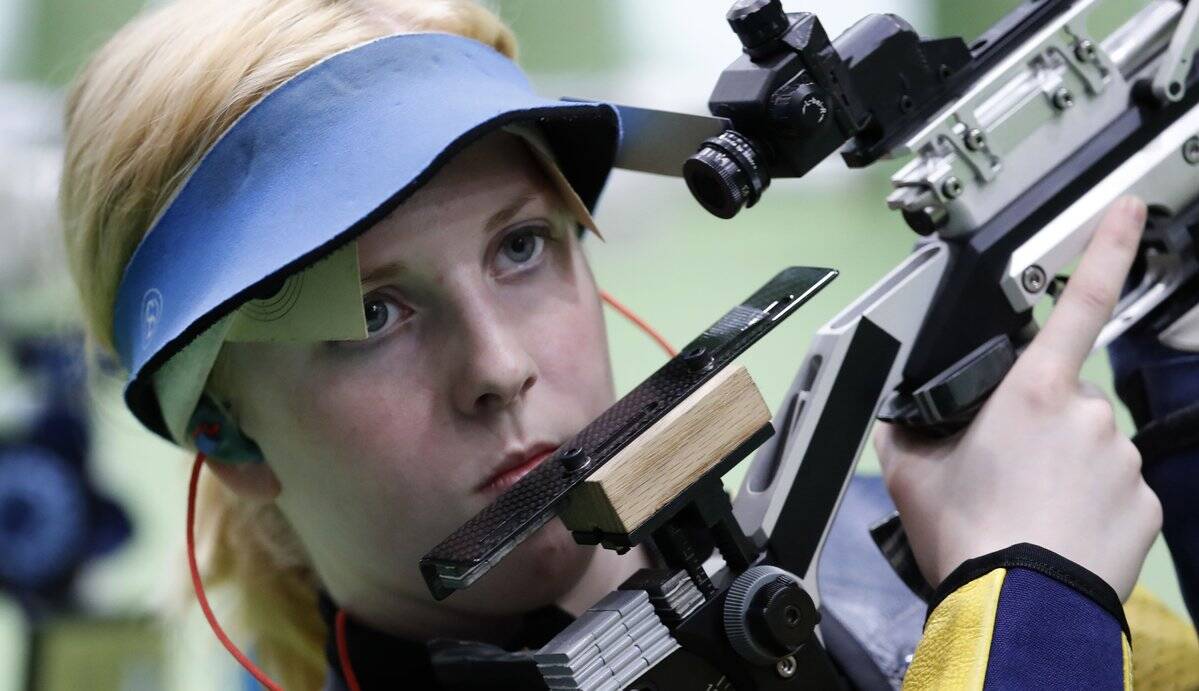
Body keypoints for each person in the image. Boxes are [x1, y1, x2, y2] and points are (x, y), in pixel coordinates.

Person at [58, 0, 1192, 689]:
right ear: (223, 428)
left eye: (521, 247)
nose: (498, 367)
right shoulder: (1006, 574)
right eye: (372, 312)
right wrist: (1038, 609)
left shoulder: (888, 539)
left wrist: (1178, 381)